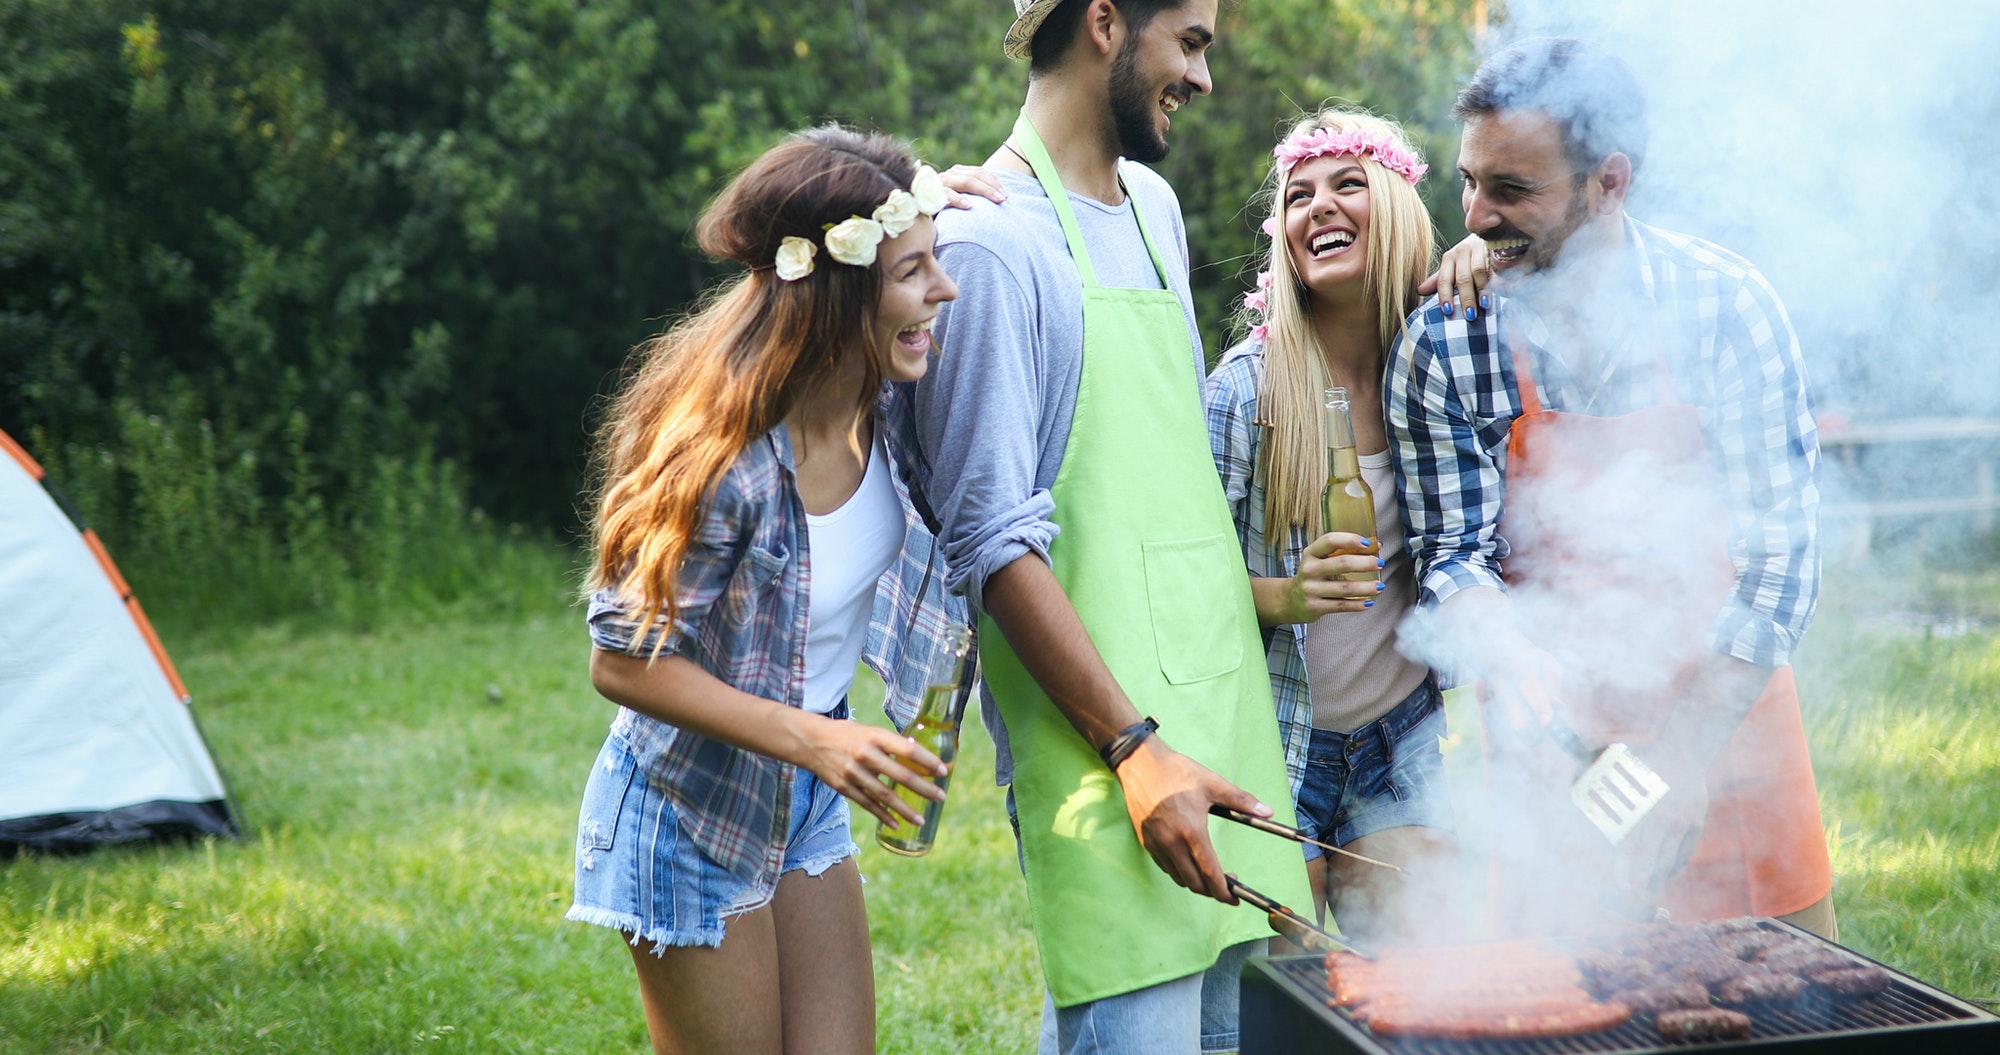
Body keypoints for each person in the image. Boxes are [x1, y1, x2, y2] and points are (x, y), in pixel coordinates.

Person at [911, 2, 1310, 1052]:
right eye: (1188, 42)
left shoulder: (1153, 206)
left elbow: (1168, 483)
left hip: (1221, 719)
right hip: (1104, 746)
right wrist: (1135, 751)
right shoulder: (989, 246)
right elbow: (990, 544)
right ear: (1102, 22)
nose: (1202, 76)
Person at [1386, 38, 1834, 939]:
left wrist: (1682, 753)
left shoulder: (1727, 310)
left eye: (1511, 190)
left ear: (1610, 181)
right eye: (1469, 181)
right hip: (1554, 737)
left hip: (1727, 715)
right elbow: (1455, 558)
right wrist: (1547, 698)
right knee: (1566, 1009)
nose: (1474, 215)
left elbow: (1780, 558)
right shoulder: (1445, 343)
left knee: (1789, 1001)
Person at [567, 126, 971, 1055]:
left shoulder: (881, 401)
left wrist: (951, 190)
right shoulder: (729, 464)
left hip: (801, 799)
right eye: (914, 273)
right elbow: (621, 663)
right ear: (839, 296)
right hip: (688, 810)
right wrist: (819, 739)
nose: (941, 292)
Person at [1202, 107, 1460, 947]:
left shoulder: (1433, 368)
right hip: (1278, 746)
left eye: (1349, 184)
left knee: (1425, 991)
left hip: (1399, 739)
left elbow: (1535, 250)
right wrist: (1286, 595)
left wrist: (1481, 258)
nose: (1319, 206)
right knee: (1279, 1008)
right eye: (1299, 194)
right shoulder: (1247, 392)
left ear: (1396, 211)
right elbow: (1178, 584)